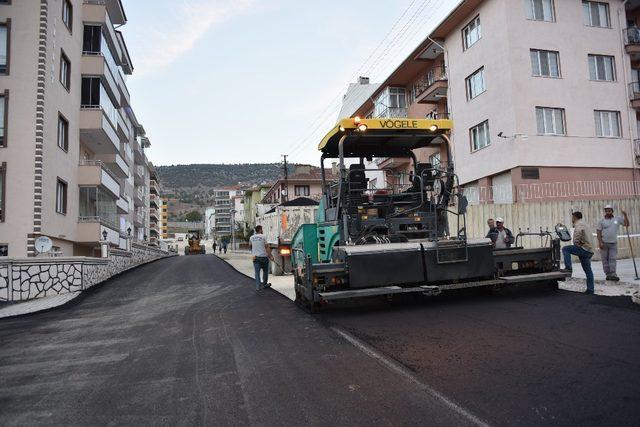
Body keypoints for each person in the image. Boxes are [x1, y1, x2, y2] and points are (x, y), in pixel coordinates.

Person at [562, 211, 595, 294]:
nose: (572, 219)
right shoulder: (585, 224)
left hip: (584, 248)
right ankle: (590, 290)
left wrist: (576, 242)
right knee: (588, 271)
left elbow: (578, 233)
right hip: (589, 250)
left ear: (575, 217)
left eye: (572, 217)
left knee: (565, 249)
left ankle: (568, 268)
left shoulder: (578, 224)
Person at [596, 205, 629, 281]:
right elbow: (598, 232)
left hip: (613, 243)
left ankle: (613, 274)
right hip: (604, 243)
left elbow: (627, 224)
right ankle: (608, 274)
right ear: (605, 211)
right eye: (607, 211)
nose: (608, 212)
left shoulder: (617, 219)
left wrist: (625, 215)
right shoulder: (601, 221)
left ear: (612, 211)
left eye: (609, 210)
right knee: (605, 260)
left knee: (612, 259)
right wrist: (600, 242)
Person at [250, 225, 273, 291]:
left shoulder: (251, 237)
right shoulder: (263, 236)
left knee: (257, 273)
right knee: (265, 271)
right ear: (260, 229)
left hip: (255, 258)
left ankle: (258, 287)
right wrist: (270, 256)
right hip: (264, 257)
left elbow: (250, 246)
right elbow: (267, 247)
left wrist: (254, 251)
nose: (262, 230)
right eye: (262, 229)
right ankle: (264, 284)